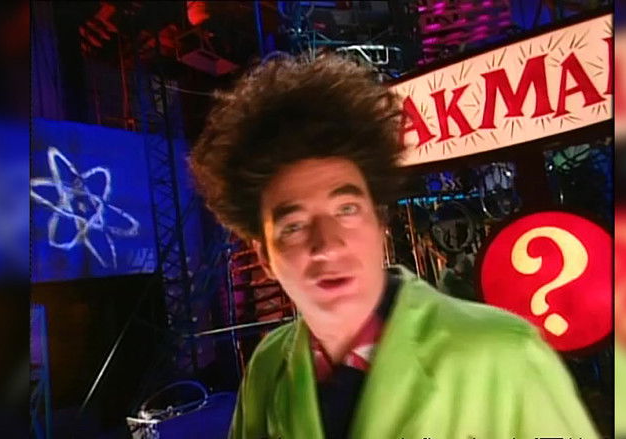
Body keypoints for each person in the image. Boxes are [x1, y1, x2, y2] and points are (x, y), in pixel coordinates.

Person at [190, 54, 600, 439]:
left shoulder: (504, 352)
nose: (327, 246)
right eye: (294, 226)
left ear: (380, 224)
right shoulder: (267, 366)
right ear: (264, 256)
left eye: (347, 210)